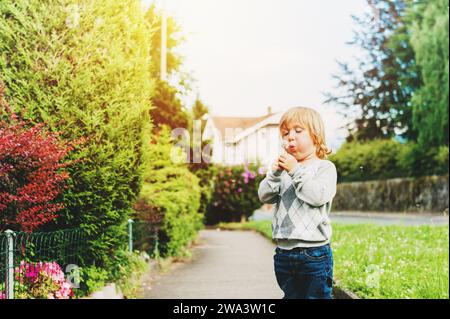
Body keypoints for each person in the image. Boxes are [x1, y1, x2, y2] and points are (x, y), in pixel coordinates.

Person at [257, 106, 338, 299]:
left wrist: (295, 171)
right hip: (284, 254)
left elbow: (317, 196)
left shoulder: (324, 167)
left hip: (314, 254)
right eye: (285, 133)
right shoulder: (282, 172)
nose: (290, 137)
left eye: (298, 131)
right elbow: (264, 196)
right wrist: (275, 174)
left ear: (315, 136)